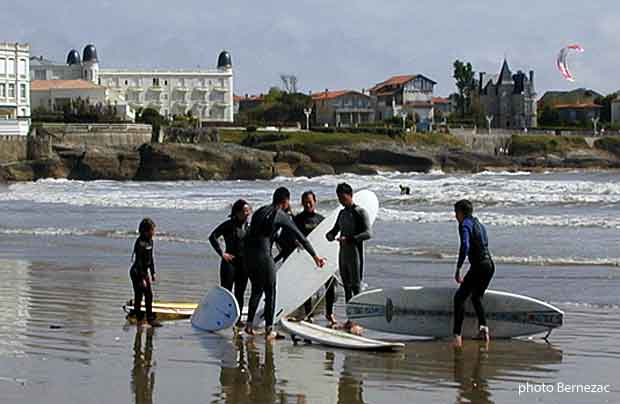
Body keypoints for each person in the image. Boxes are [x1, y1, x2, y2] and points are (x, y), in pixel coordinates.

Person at [244, 187, 327, 341]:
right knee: (270, 292)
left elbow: (251, 234)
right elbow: (302, 238)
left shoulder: (260, 211)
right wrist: (315, 256)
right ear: (285, 201)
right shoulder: (280, 215)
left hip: (250, 257)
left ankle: (249, 326)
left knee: (256, 290)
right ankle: (269, 331)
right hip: (264, 257)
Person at [275, 191, 335, 324]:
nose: (308, 204)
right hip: (304, 259)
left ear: (315, 201)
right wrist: (294, 242)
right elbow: (286, 237)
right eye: (305, 202)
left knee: (331, 285)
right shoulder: (296, 220)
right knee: (306, 288)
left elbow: (329, 239)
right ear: (302, 203)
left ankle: (329, 313)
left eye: (310, 201)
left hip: (320, 257)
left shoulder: (321, 220)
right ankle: (308, 314)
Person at [326, 183, 372, 333]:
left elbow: (368, 233)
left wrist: (350, 238)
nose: (341, 200)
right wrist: (330, 235)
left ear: (350, 195)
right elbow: (334, 230)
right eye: (339, 198)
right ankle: (350, 319)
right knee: (346, 287)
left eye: (343, 197)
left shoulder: (360, 212)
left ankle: (358, 320)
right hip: (343, 253)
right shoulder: (342, 214)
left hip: (354, 253)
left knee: (355, 286)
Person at [452, 199, 495, 348]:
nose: (455, 216)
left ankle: (457, 336)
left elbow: (465, 245)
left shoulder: (464, 225)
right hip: (489, 265)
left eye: (456, 213)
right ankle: (484, 329)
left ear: (461, 213)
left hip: (478, 267)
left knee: (459, 298)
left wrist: (458, 268)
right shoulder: (480, 224)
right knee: (476, 297)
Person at [209, 199, 252, 322]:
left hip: (243, 264)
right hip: (229, 264)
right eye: (245, 211)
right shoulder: (229, 225)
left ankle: (237, 320)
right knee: (226, 293)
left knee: (240, 293)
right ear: (237, 213)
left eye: (249, 211)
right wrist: (222, 253)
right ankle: (221, 317)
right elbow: (212, 236)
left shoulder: (249, 227)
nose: (247, 213)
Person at [129, 218, 159, 327]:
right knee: (139, 295)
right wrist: (142, 278)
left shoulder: (150, 241)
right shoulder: (140, 243)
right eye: (152, 230)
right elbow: (140, 261)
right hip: (137, 272)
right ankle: (139, 319)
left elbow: (150, 258)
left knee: (149, 295)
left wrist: (153, 272)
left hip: (144, 272)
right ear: (146, 231)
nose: (154, 232)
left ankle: (150, 319)